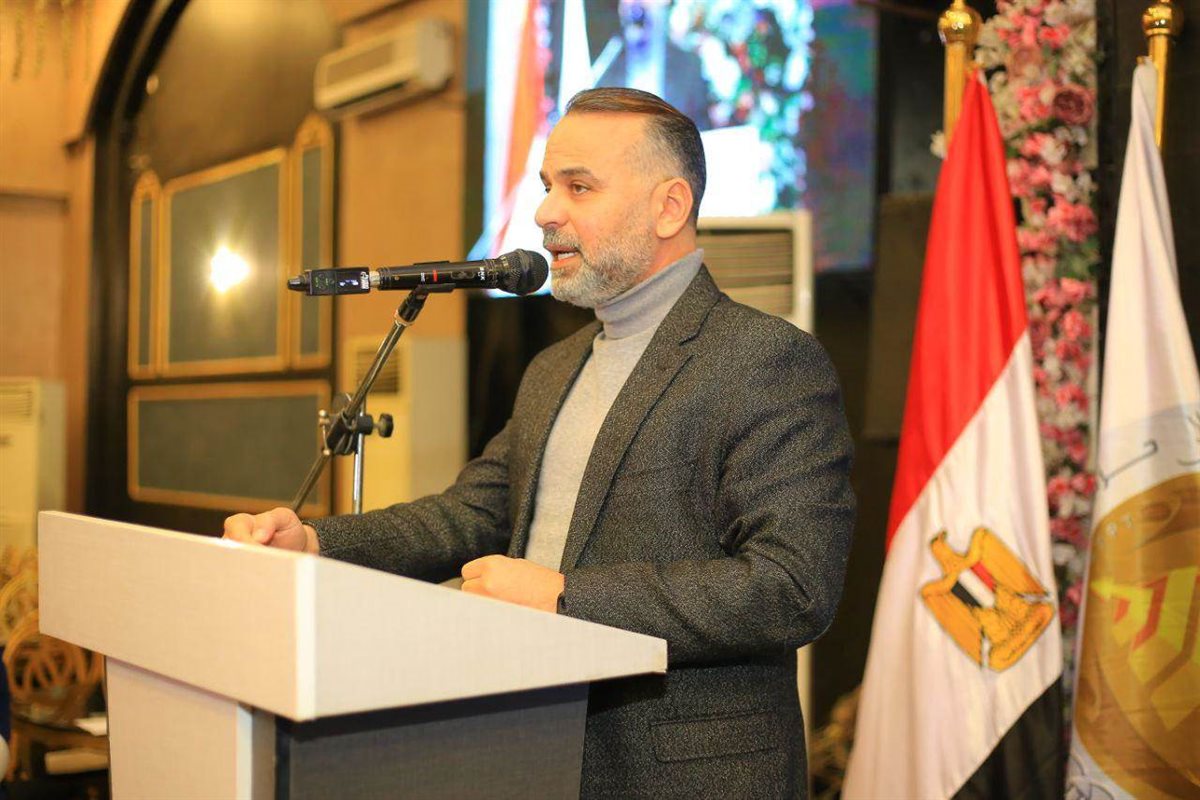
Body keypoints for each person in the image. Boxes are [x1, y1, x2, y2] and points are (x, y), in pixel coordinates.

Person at [224, 88, 854, 799]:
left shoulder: (765, 360)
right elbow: (470, 515)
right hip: (531, 752)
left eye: (579, 187)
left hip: (684, 777)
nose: (546, 212)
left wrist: (565, 596)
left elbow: (792, 587)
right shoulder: (554, 368)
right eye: (549, 185)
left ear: (669, 207)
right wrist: (315, 544)